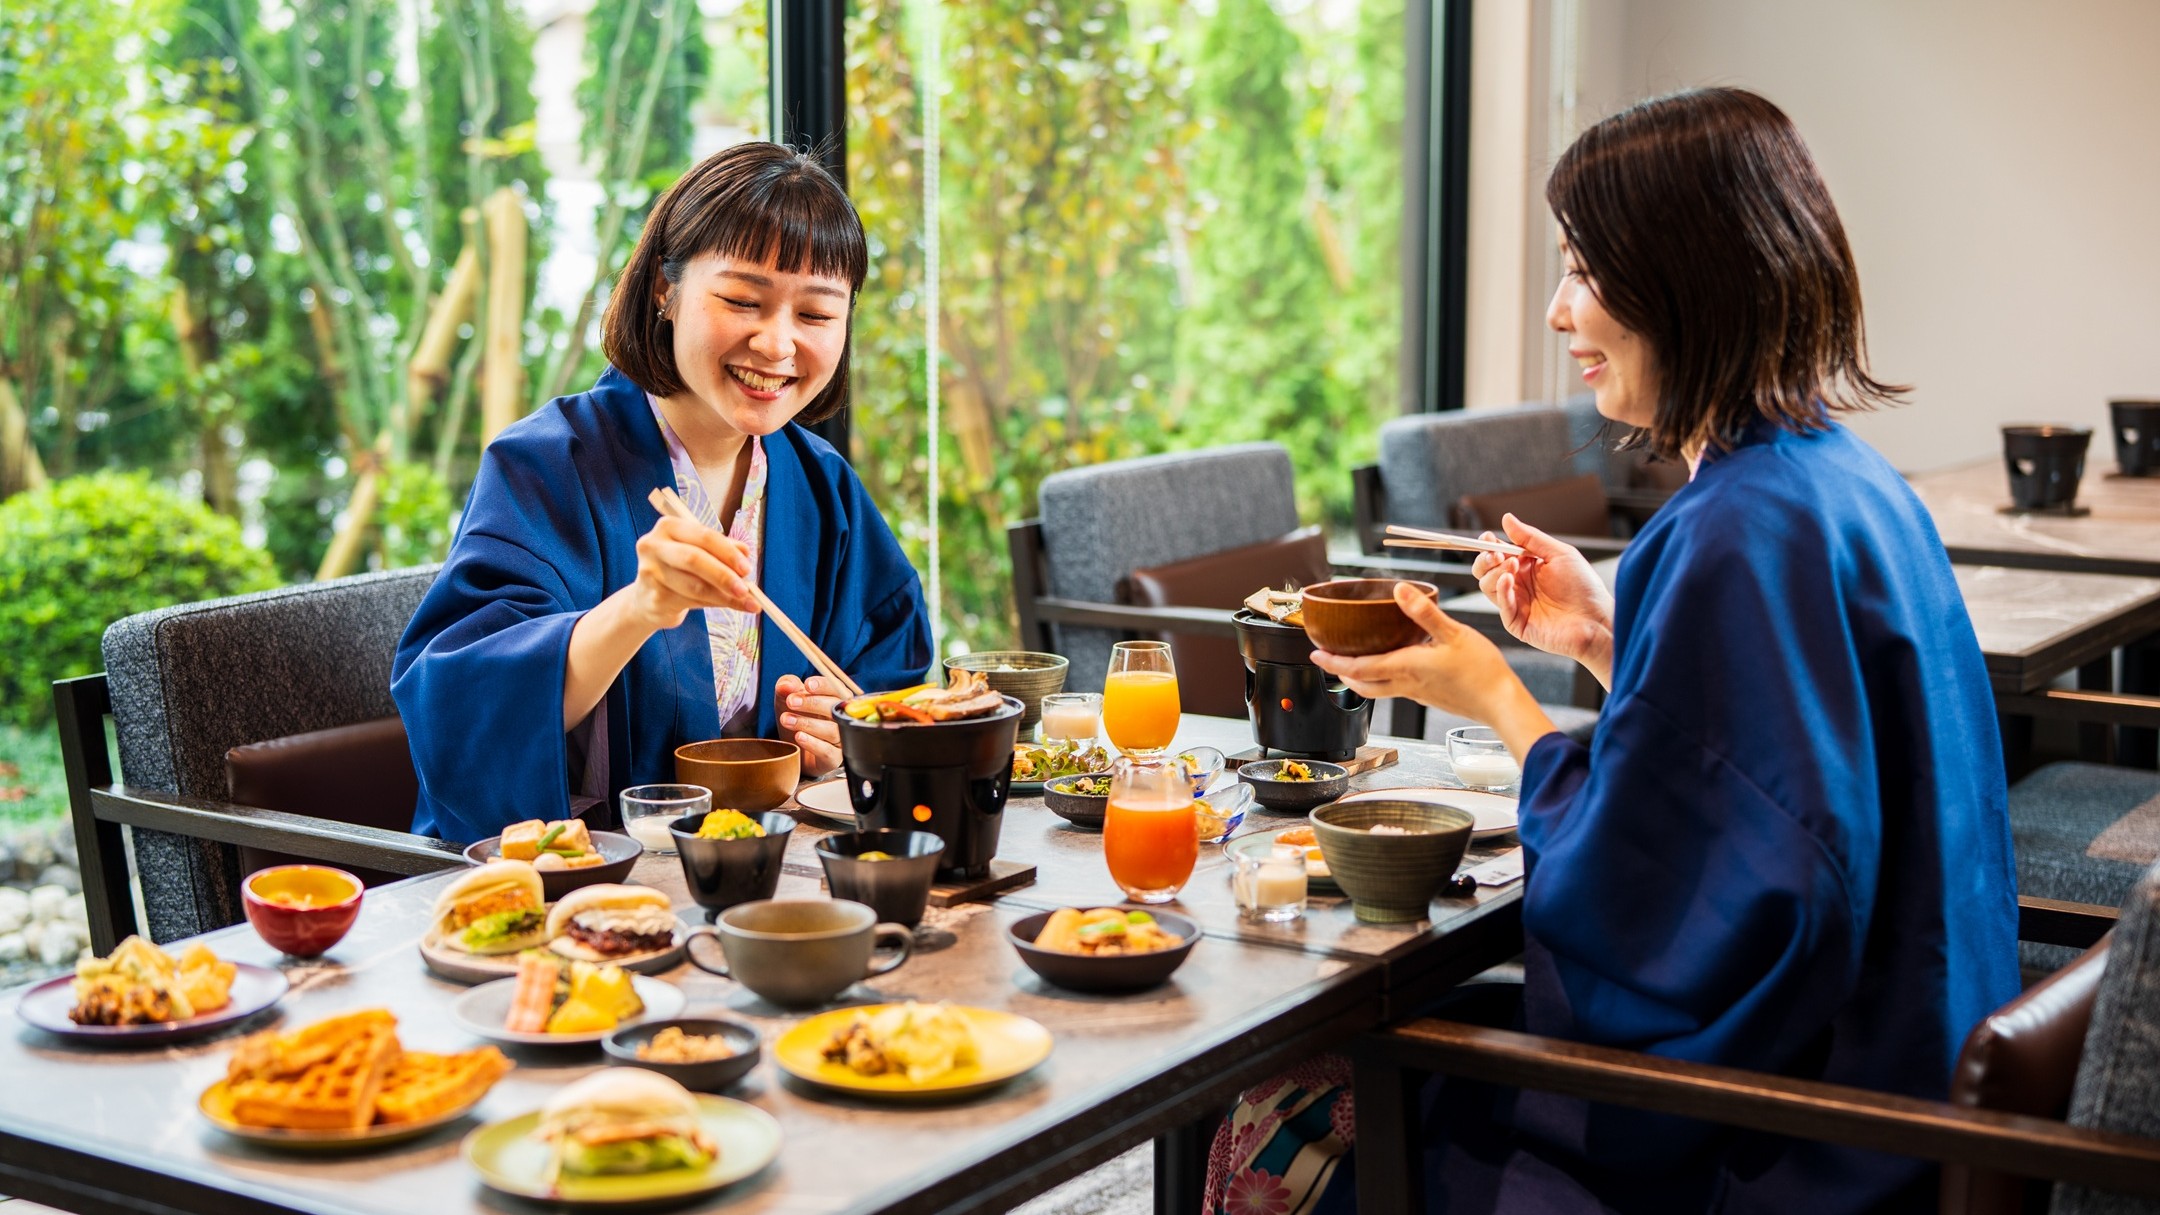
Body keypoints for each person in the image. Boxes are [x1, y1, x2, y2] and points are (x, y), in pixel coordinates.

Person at [1208, 88, 2019, 1214]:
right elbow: (1767, 784)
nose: (1556, 312)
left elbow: (1657, 915)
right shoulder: (1842, 483)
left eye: (1584, 272)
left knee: (1269, 1115)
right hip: (1916, 1083)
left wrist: (1495, 694)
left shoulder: (1731, 528)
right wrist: (1600, 635)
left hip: (1789, 1142)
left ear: (1687, 281)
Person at [393, 143, 932, 844]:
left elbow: (891, 684)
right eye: (743, 300)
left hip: (767, 871)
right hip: (577, 884)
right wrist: (643, 606)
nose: (776, 345)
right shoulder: (545, 467)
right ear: (664, 290)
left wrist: (842, 737)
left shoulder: (820, 485)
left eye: (817, 315)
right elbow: (461, 704)